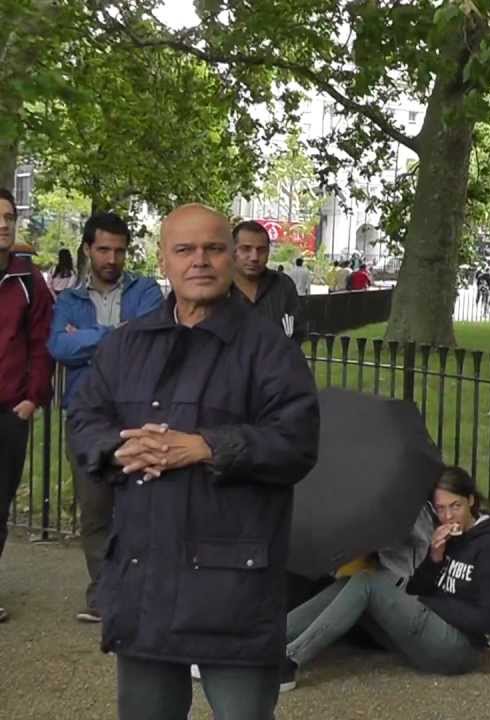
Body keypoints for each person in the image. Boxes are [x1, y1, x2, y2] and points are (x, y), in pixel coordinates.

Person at [66, 204, 320, 719]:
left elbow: (296, 442)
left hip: (233, 587)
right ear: (163, 259)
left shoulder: (268, 348)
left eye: (213, 248)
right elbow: (84, 418)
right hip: (146, 579)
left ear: (230, 258)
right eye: (184, 249)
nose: (199, 260)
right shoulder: (127, 344)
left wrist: (206, 446)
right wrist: (118, 447)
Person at [282, 467, 490, 684]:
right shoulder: (449, 537)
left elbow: (489, 621)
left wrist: (433, 604)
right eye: (441, 509)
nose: (448, 516)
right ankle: (273, 636)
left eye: (455, 506)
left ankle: (290, 659)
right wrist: (435, 558)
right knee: (351, 582)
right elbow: (416, 589)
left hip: (460, 649)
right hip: (431, 633)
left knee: (367, 582)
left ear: (471, 500)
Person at [48, 212, 164, 623]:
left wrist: (87, 338)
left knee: (142, 509)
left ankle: (141, 592)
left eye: (119, 250)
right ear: (87, 249)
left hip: (138, 413)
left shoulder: (145, 290)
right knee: (95, 511)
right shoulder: (69, 300)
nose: (112, 258)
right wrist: (118, 333)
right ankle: (104, 594)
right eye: (103, 249)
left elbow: (150, 340)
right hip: (88, 417)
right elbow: (58, 347)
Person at [0, 187, 54, 625]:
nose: (3, 224)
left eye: (8, 216)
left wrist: (32, 398)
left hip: (8, 412)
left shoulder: (29, 281)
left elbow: (41, 343)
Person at [231, 220, 305, 340]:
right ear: (232, 250)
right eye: (246, 249)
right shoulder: (218, 288)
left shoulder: (283, 285)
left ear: (268, 252)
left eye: (261, 250)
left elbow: (297, 332)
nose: (254, 257)